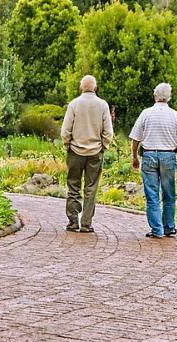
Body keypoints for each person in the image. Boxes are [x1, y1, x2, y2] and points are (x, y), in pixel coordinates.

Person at [129, 83, 177, 239]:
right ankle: (169, 227)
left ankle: (157, 230)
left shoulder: (146, 113)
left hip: (149, 155)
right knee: (169, 194)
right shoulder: (175, 115)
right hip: (168, 156)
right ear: (169, 97)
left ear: (155, 95)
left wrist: (135, 157)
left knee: (152, 194)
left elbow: (135, 139)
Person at [60, 75, 114, 233]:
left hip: (75, 151)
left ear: (81, 87)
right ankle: (86, 223)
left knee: (73, 186)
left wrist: (67, 144)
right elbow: (108, 131)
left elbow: (65, 130)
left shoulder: (74, 104)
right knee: (91, 188)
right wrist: (103, 146)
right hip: (95, 152)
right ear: (95, 87)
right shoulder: (103, 105)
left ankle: (72, 222)